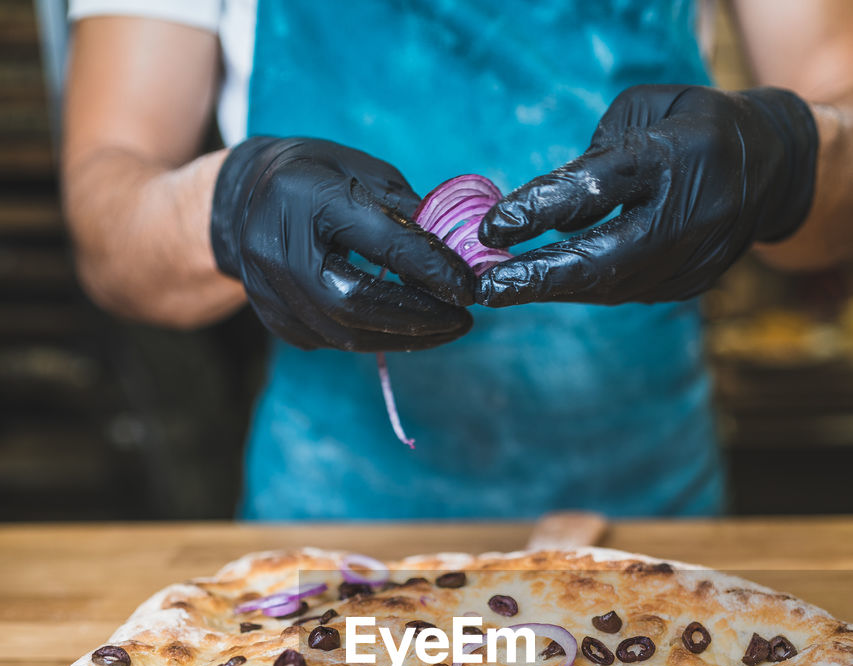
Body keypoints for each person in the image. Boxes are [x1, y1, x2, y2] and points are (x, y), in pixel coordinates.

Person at [63, 1, 853, 521]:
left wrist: (783, 157)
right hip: (335, 538)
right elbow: (110, 228)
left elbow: (837, 107)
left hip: (650, 520)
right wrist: (232, 204)